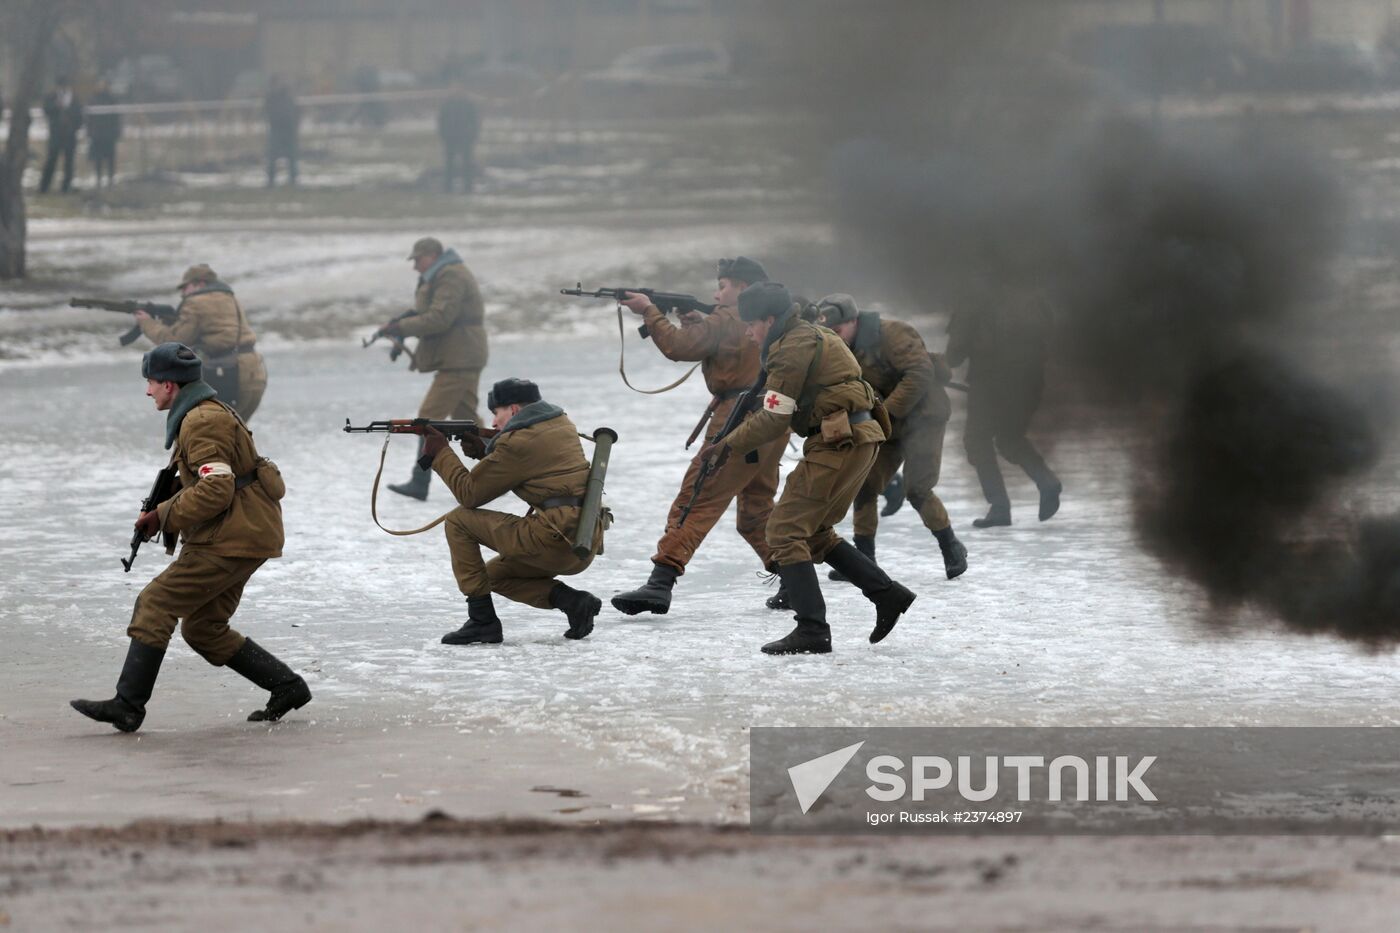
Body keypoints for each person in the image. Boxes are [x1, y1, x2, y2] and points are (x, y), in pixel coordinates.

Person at [71, 343, 310, 732]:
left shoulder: (201, 420)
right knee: (203, 628)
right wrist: (162, 512)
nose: (147, 391)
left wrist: (164, 515)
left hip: (232, 536)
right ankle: (287, 686)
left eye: (150, 382)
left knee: (155, 603)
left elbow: (217, 488)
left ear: (169, 384)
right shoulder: (206, 411)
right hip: (249, 531)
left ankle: (128, 705)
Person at [708, 283, 916, 655]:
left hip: (839, 441)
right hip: (857, 437)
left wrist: (727, 445)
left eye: (751, 324)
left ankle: (812, 630)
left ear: (769, 319)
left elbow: (775, 417)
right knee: (816, 533)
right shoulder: (811, 333)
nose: (748, 332)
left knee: (784, 530)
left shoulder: (790, 348)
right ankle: (887, 594)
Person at [610, 257, 786, 615]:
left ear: (743, 289)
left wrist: (649, 312)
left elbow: (679, 348)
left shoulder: (727, 318)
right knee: (755, 513)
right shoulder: (759, 322)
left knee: (697, 496)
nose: (717, 293)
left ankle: (660, 583)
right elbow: (721, 348)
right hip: (771, 420)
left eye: (724, 286)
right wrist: (694, 323)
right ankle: (796, 581)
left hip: (737, 419)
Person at [421, 378, 607, 645]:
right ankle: (574, 602)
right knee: (494, 576)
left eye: (497, 413)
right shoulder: (560, 424)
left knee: (459, 521)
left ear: (515, 410)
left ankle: (482, 622)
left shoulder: (517, 443)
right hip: (582, 541)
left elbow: (469, 494)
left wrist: (441, 453)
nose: (494, 423)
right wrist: (488, 452)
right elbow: (533, 465)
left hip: (553, 540)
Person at [816, 294, 968, 580]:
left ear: (853, 321)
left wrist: (885, 411)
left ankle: (951, 547)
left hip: (923, 416)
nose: (833, 338)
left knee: (918, 488)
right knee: (864, 484)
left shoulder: (893, 333)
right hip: (887, 424)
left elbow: (920, 373)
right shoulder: (839, 348)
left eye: (837, 332)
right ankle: (864, 561)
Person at [383, 237, 490, 500]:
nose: (415, 266)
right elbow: (430, 311)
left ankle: (420, 480)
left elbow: (441, 317)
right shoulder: (442, 274)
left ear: (431, 255)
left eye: (417, 260)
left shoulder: (450, 275)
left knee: (427, 419)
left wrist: (402, 328)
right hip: (460, 355)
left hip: (460, 358)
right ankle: (505, 469)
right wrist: (403, 323)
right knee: (468, 421)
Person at [946, 291, 1062, 527]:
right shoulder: (1029, 295)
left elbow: (954, 355)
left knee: (977, 441)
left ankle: (999, 507)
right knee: (1010, 439)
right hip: (1031, 382)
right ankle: (1047, 482)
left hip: (990, 383)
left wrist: (934, 367)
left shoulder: (973, 298)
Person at [136, 264, 268, 420]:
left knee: (214, 434)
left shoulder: (195, 302)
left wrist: (146, 322)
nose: (183, 293)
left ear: (200, 284)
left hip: (230, 374)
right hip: (255, 372)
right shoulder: (229, 297)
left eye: (185, 287)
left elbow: (174, 340)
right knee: (236, 434)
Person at [39, 77, 83, 194]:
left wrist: (74, 127)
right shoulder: (52, 97)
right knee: (51, 160)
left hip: (69, 135)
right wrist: (56, 106)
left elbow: (79, 115)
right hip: (55, 135)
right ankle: (44, 187)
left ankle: (66, 187)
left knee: (69, 163)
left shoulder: (74, 98)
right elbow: (46, 110)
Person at [438, 86, 480, 193]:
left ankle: (468, 187)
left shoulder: (469, 105)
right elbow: (441, 121)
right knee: (449, 165)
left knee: (467, 164)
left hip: (466, 139)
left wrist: (473, 136)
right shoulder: (447, 105)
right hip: (450, 139)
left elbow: (475, 122)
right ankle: (448, 187)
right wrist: (443, 135)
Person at [264, 76, 300, 187]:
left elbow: (296, 111)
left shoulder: (288, 96)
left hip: (289, 130)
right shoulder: (270, 97)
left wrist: (295, 124)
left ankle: (293, 179)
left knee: (292, 156)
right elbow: (265, 111)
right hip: (276, 129)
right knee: (272, 156)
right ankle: (271, 180)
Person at [87, 79, 121, 188]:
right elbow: (89, 118)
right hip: (97, 135)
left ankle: (111, 179)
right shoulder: (93, 99)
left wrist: (117, 131)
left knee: (110, 158)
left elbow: (116, 118)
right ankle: (98, 179)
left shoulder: (112, 100)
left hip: (109, 135)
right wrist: (90, 132)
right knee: (98, 159)